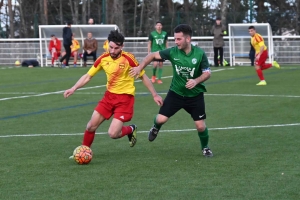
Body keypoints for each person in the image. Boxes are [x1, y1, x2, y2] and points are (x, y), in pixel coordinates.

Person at [64, 30, 163, 155]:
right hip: (109, 97)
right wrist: (73, 88)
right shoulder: (103, 59)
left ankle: (130, 129)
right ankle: (84, 152)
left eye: (116, 48)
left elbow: (143, 76)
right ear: (107, 45)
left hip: (125, 99)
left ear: (122, 46)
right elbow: (88, 76)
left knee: (113, 134)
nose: (112, 51)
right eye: (110, 47)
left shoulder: (128, 58)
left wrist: (154, 94)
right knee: (90, 126)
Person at [130, 24, 213, 157]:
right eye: (175, 39)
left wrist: (196, 81)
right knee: (161, 119)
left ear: (188, 39)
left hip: (195, 96)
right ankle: (155, 127)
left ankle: (205, 148)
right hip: (176, 94)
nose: (176, 42)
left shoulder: (199, 54)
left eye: (179, 39)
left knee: (201, 126)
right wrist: (140, 67)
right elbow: (151, 55)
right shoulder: (173, 52)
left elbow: (208, 73)